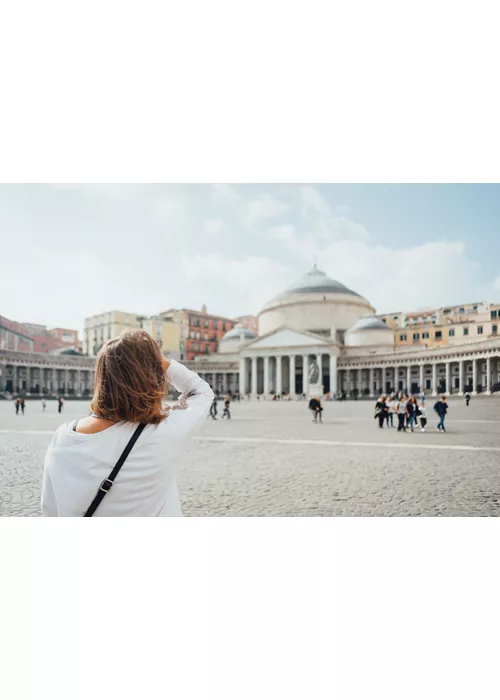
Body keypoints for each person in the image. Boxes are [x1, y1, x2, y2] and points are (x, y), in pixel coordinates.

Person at [41, 329, 213, 517]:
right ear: (153, 378)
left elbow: (50, 510)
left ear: (101, 378)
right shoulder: (163, 433)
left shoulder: (63, 437)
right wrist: (161, 362)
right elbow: (201, 392)